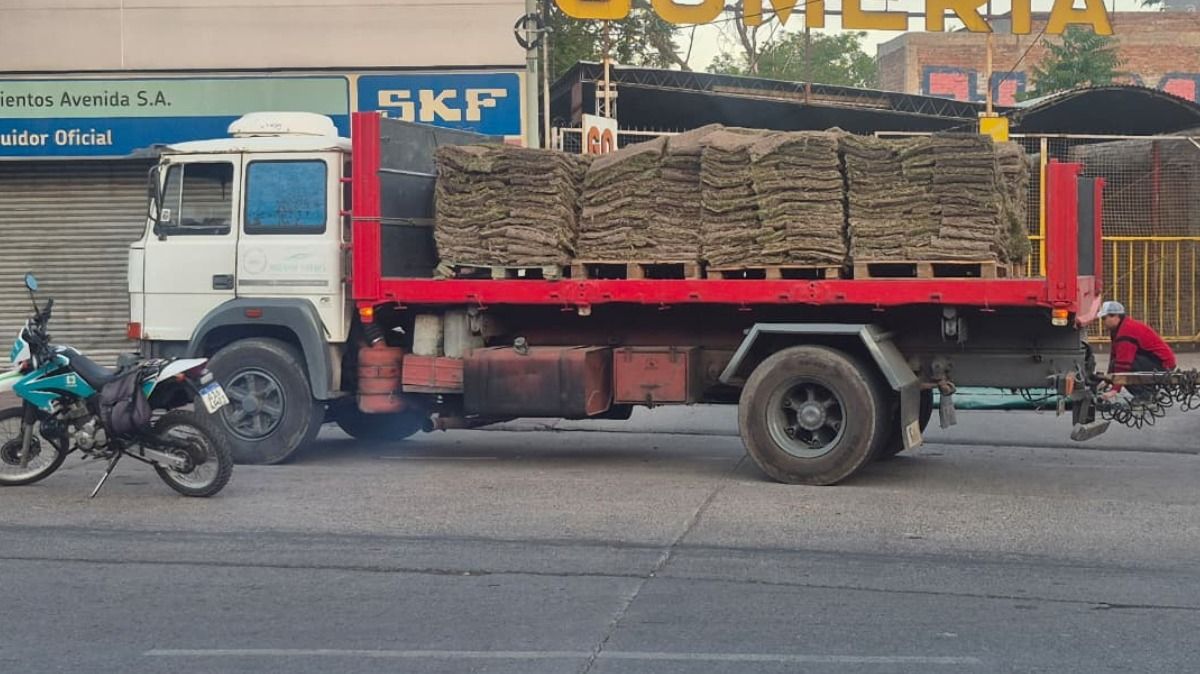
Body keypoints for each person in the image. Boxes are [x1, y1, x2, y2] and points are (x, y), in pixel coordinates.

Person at [1098, 301, 1176, 401]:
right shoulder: (1118, 329)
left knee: (1127, 366)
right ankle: (1150, 392)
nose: (1103, 322)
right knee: (1117, 364)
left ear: (1115, 316)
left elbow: (1123, 364)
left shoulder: (1126, 331)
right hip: (1152, 360)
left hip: (1162, 364)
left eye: (1104, 318)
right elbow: (1114, 356)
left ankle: (1146, 395)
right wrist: (1108, 380)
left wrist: (1114, 390)